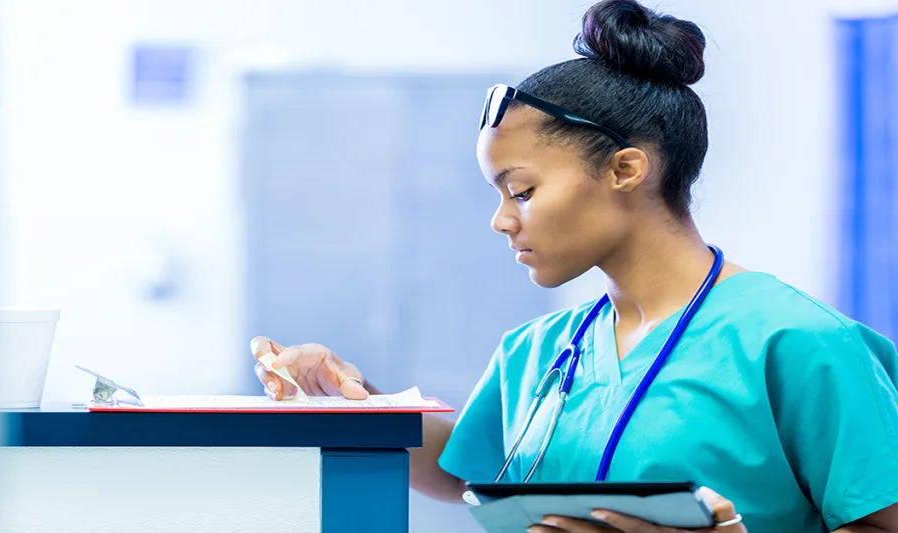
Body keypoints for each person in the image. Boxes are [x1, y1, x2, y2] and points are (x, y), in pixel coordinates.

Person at [250, 0, 898, 531]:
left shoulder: (802, 344)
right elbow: (462, 466)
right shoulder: (539, 348)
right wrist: (347, 403)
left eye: (522, 191)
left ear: (625, 168)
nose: (502, 221)